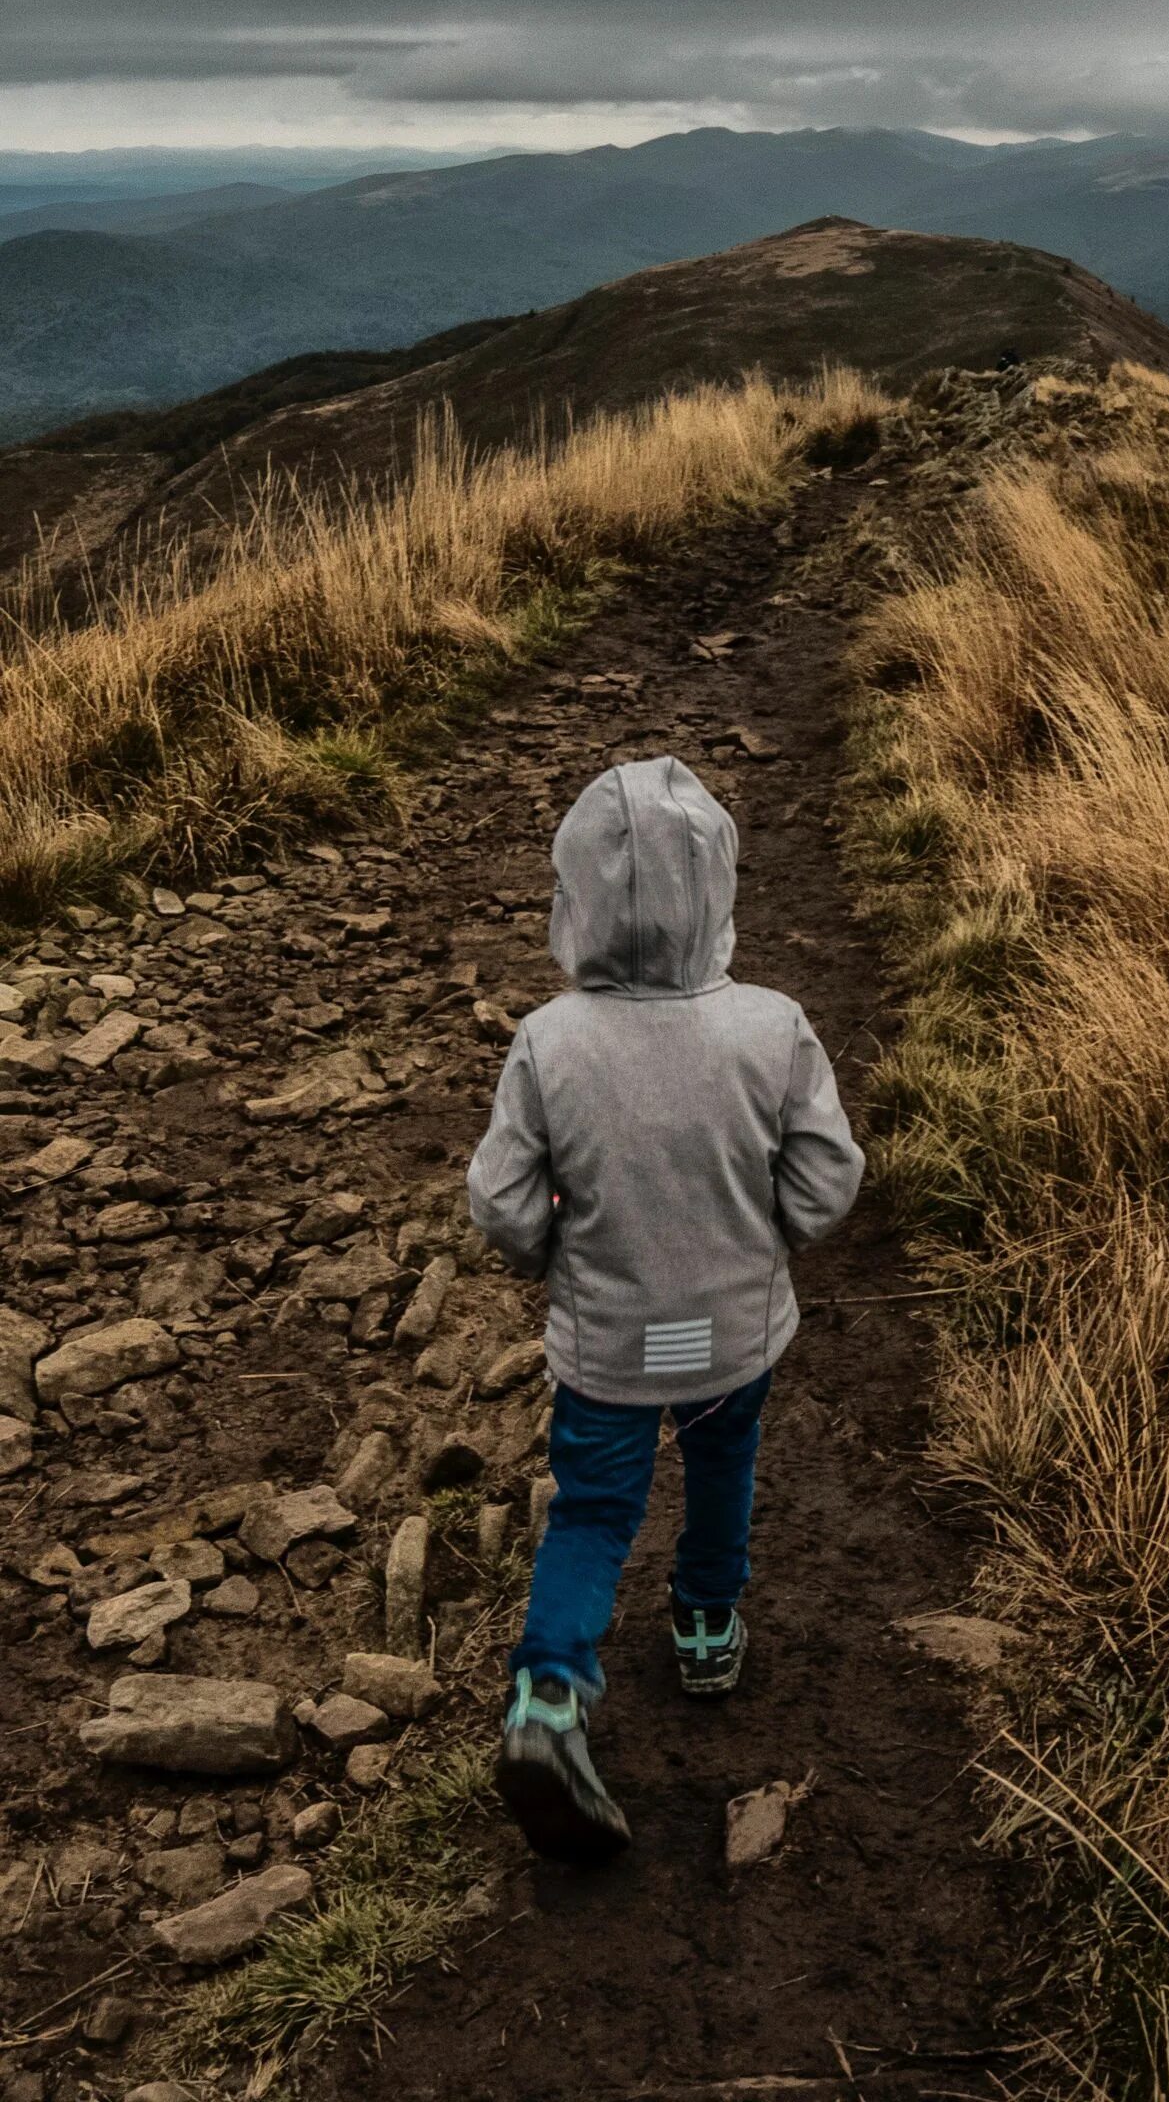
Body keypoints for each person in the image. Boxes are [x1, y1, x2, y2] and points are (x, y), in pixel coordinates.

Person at [467, 755, 864, 1863]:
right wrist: (763, 1240)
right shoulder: (773, 1028)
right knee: (723, 1465)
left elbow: (499, 1204)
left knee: (593, 1511)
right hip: (736, 1332)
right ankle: (702, 1626)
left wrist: (559, 1254)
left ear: (575, 899)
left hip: (605, 1344)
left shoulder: (550, 1043)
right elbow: (829, 1181)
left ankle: (548, 1703)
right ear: (720, 891)